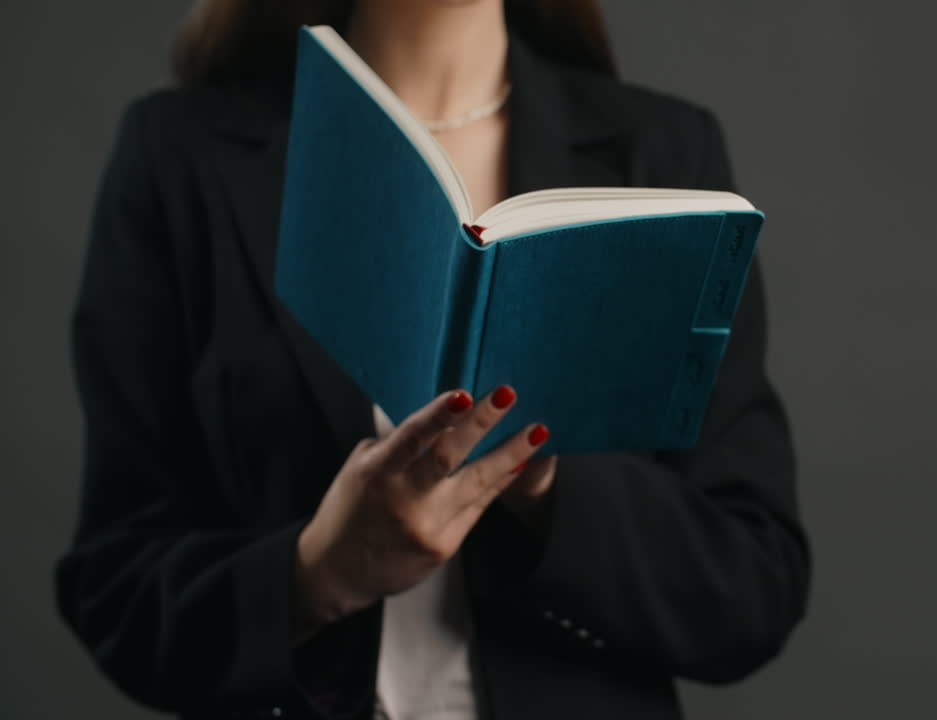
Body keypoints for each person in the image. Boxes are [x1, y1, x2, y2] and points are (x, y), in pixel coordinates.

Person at [55, 1, 811, 718]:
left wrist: (545, 488)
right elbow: (115, 592)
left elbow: (753, 586)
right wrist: (319, 571)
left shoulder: (664, 155)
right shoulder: (179, 157)